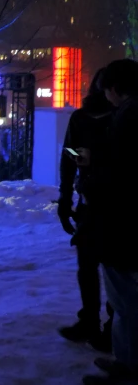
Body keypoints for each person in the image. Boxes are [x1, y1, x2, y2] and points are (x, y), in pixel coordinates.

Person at [82, 59, 138, 385]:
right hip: (127, 222)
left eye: (108, 92)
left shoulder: (128, 118)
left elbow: (118, 176)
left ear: (116, 89)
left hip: (122, 224)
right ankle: (125, 361)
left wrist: (89, 178)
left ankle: (128, 369)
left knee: (125, 300)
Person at [56, 69, 114, 353]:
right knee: (102, 268)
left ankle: (101, 325)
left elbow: (68, 156)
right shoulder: (86, 118)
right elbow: (69, 155)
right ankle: (104, 326)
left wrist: (66, 197)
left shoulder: (85, 117)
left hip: (101, 204)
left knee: (98, 268)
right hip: (100, 204)